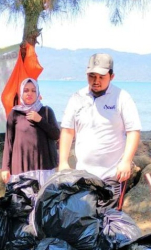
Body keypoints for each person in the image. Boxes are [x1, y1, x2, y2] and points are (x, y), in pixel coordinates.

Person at [58, 53, 142, 207]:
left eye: (101, 77)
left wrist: (126, 161)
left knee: (106, 223)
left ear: (112, 76)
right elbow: (67, 130)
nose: (96, 81)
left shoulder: (122, 98)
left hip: (111, 176)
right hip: (83, 176)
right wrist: (63, 161)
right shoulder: (77, 97)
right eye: (92, 76)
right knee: (83, 220)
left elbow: (133, 131)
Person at [1, 78, 60, 186]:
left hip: (44, 168)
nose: (30, 93)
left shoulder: (46, 111)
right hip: (21, 167)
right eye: (26, 90)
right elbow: (8, 142)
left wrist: (40, 120)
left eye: (33, 90)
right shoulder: (15, 113)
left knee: (44, 201)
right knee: (22, 201)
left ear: (38, 93)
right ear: (21, 93)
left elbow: (56, 135)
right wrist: (5, 167)